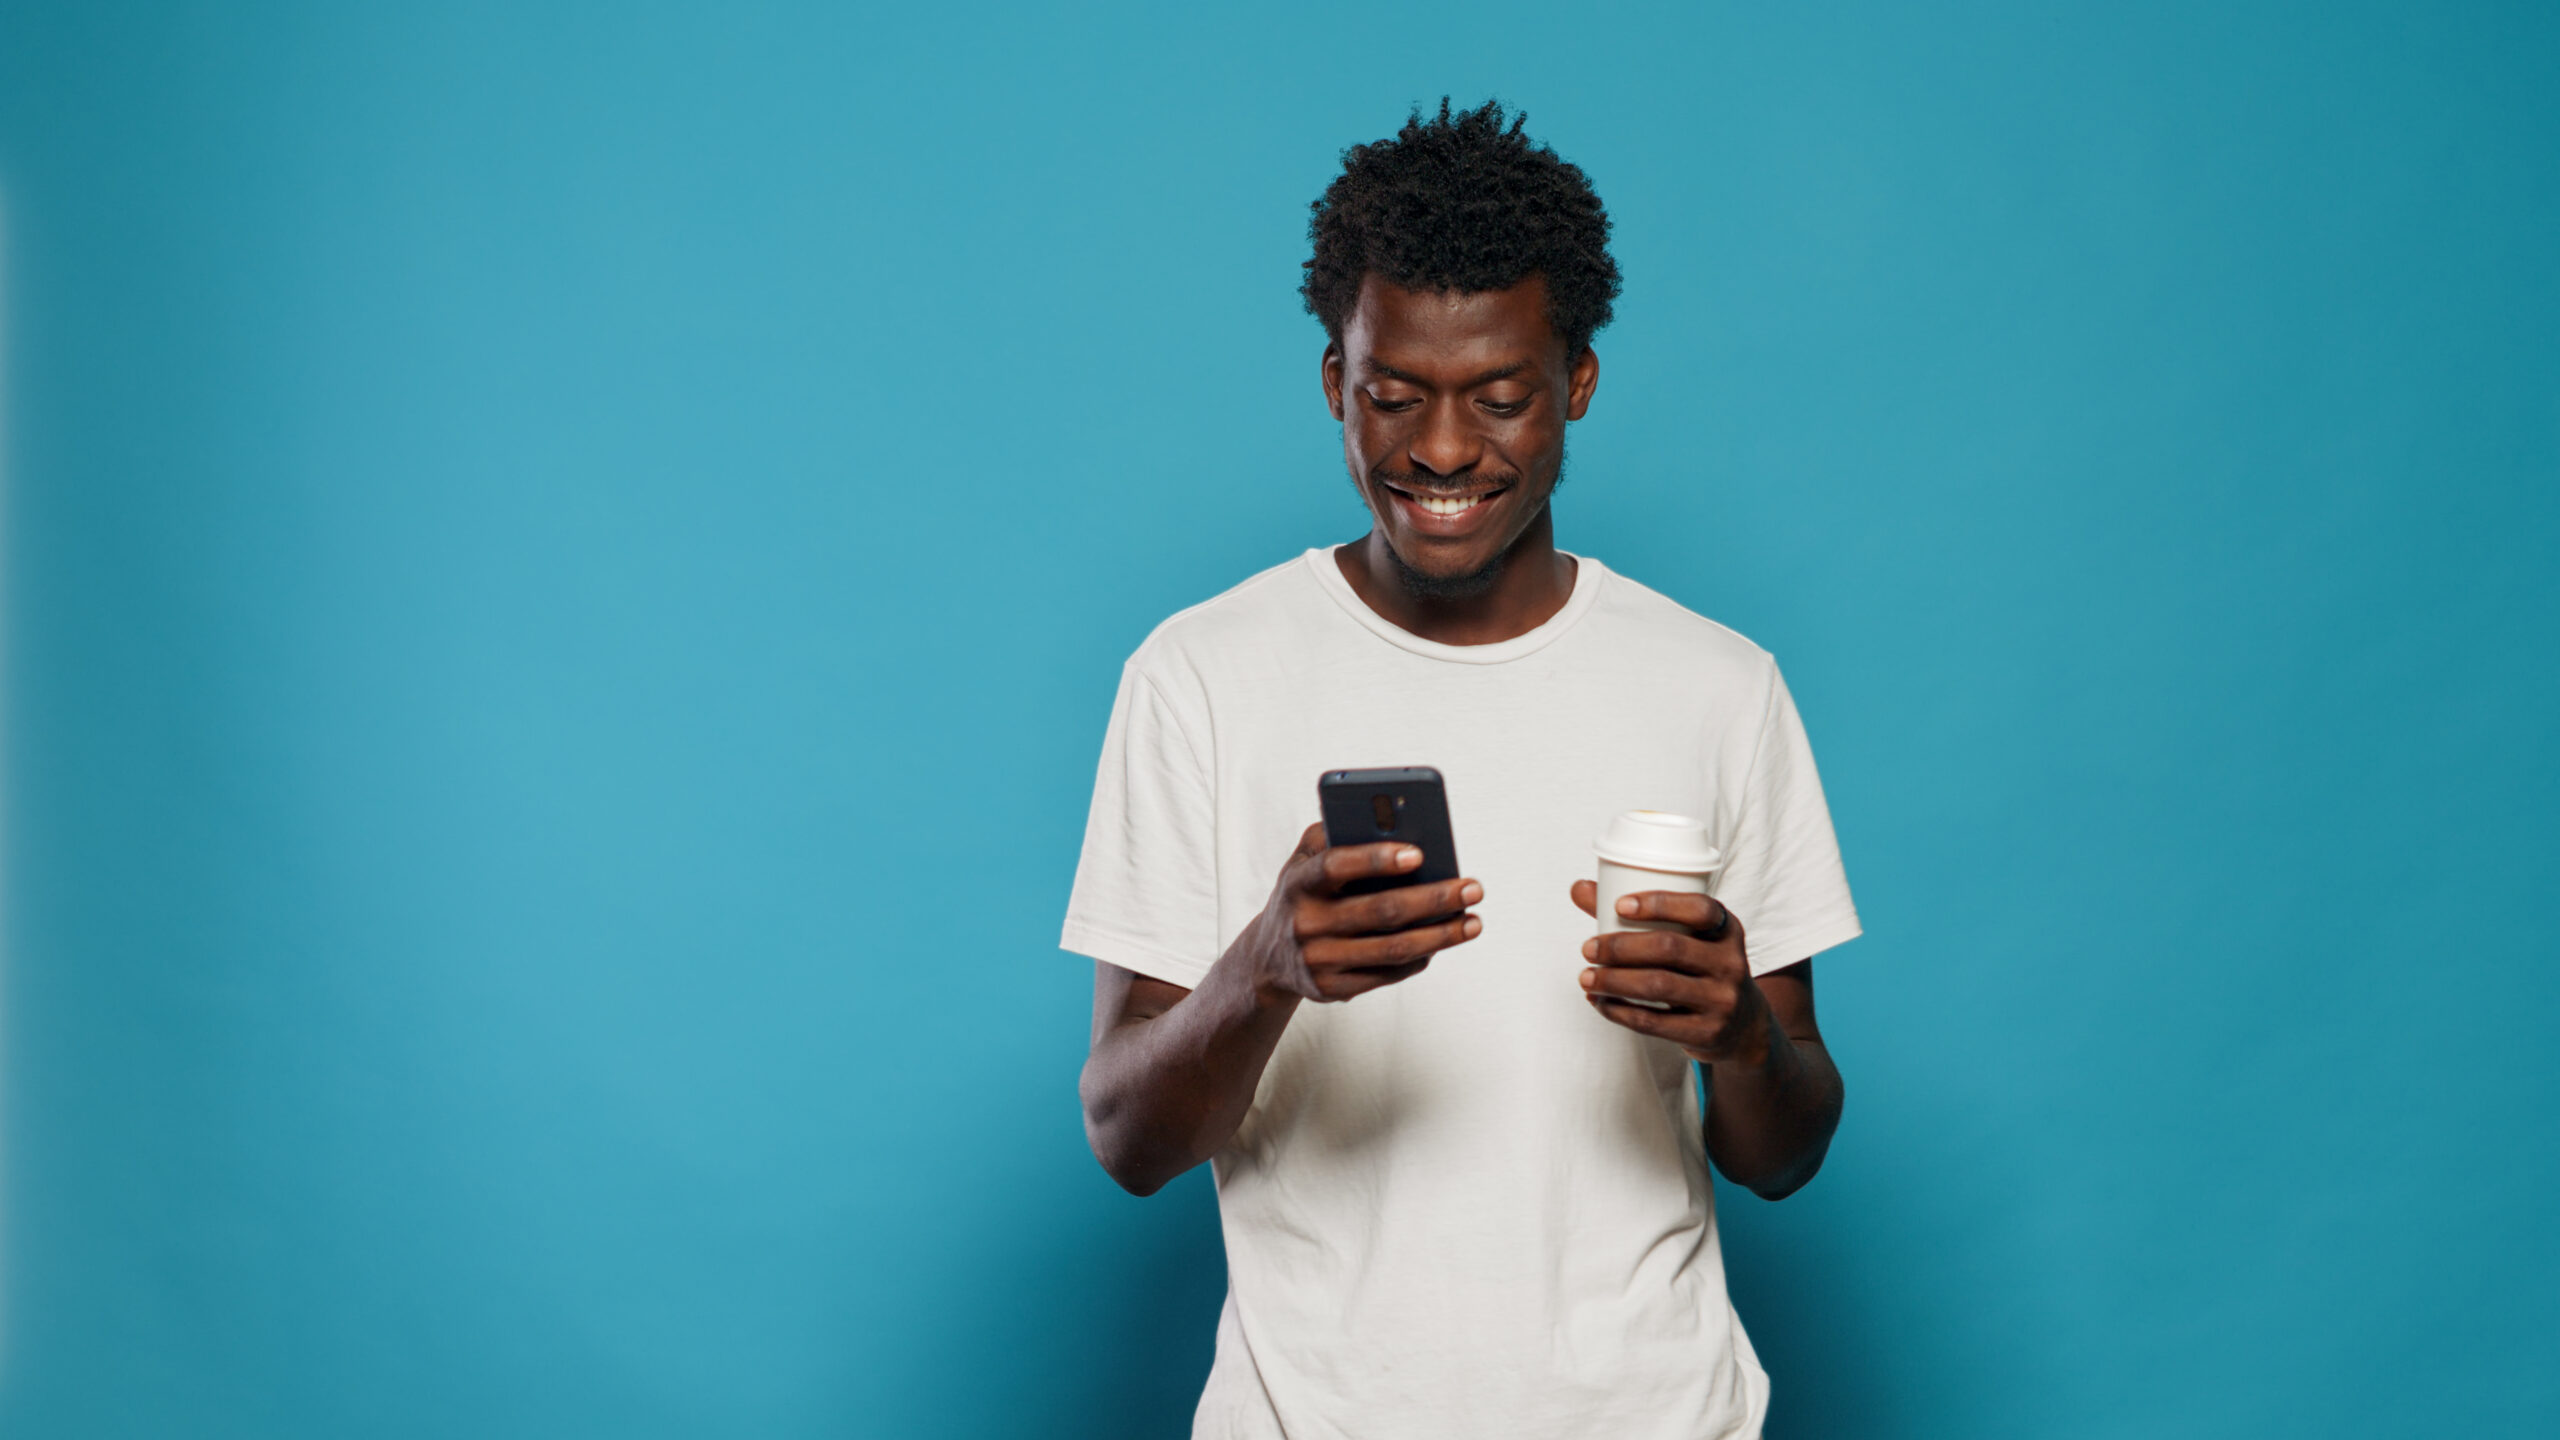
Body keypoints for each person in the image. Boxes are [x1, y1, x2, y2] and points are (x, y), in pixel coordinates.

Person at [1061, 99, 1862, 1440]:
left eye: (1500, 398)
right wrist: (1265, 971)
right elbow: (1127, 1139)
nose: (1440, 451)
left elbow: (1785, 1153)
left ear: (1578, 384)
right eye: (1393, 397)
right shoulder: (1197, 677)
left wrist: (1738, 1040)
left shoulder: (1719, 685)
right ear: (1334, 381)